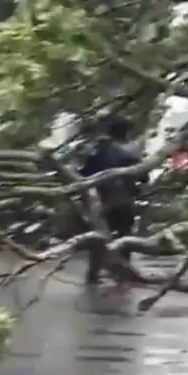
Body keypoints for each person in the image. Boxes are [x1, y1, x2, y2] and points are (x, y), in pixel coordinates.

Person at [80, 114, 144, 284]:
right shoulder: (128, 152)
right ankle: (122, 274)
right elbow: (144, 175)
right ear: (126, 133)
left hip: (100, 202)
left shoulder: (96, 151)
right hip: (124, 202)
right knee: (125, 237)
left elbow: (83, 174)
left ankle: (93, 274)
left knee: (98, 237)